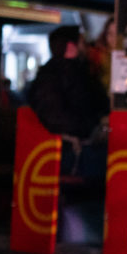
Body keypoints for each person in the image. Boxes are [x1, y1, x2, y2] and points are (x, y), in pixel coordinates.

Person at [26, 25, 110, 179]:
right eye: (82, 42)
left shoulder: (81, 71)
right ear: (71, 47)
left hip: (82, 146)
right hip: (69, 151)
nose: (87, 47)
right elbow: (55, 118)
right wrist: (92, 128)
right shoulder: (52, 77)